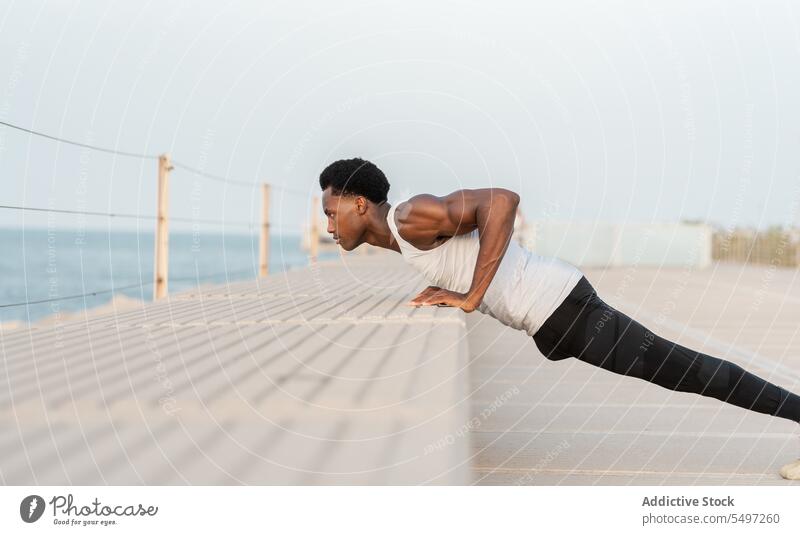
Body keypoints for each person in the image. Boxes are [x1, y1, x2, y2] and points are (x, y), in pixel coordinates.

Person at [318, 156, 800, 480]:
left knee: (692, 372)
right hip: (554, 316)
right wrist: (464, 290)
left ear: (359, 202)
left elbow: (502, 201)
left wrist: (472, 295)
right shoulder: (404, 237)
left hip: (563, 307)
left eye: (331, 210)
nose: (328, 224)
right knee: (688, 373)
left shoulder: (408, 218)